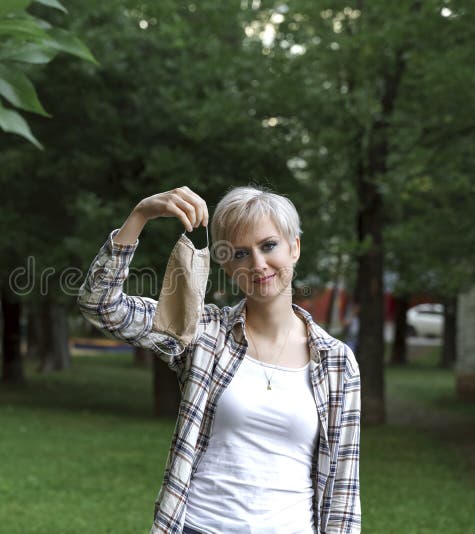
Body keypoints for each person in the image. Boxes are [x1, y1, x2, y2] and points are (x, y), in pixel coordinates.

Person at [78, 186, 361, 533]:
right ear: (227, 265)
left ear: (295, 247)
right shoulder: (203, 332)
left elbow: (343, 489)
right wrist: (140, 215)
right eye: (241, 253)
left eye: (269, 245)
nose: (258, 264)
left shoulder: (336, 361)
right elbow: (101, 306)